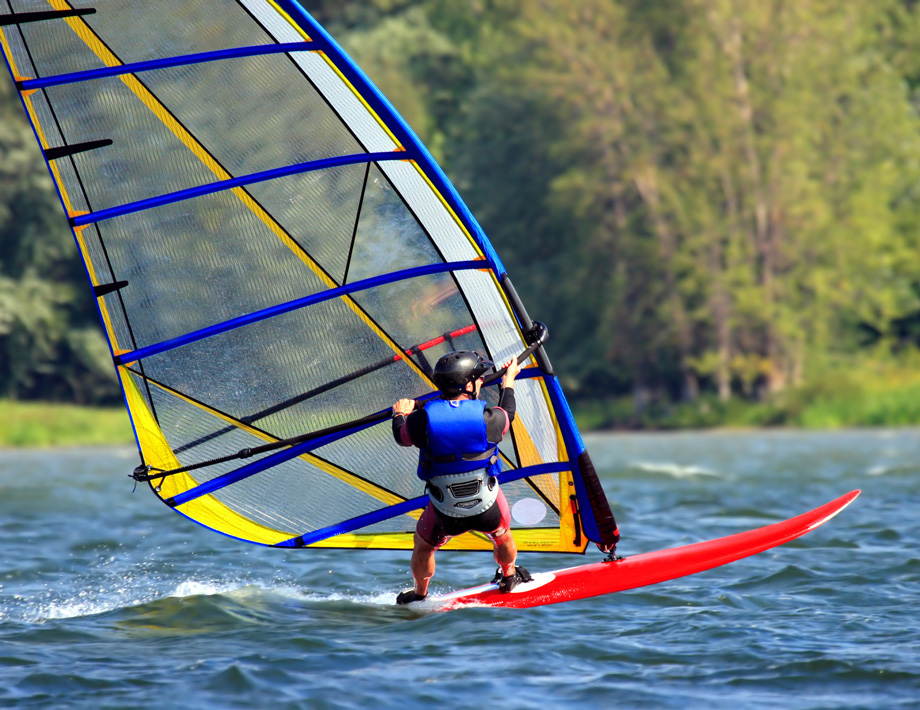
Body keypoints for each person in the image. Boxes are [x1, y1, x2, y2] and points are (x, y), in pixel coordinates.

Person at [391, 350, 531, 604]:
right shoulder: (487, 418)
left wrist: (401, 414)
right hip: (487, 508)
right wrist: (508, 380)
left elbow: (401, 437)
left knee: (423, 546)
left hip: (445, 513)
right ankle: (509, 575)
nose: (480, 382)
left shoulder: (422, 420)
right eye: (478, 379)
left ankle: (419, 594)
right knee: (503, 534)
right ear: (468, 385)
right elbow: (507, 413)